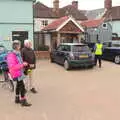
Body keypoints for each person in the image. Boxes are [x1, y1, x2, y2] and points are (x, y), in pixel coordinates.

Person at [7, 40, 31, 107]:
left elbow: (18, 62)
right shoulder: (11, 54)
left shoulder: (17, 53)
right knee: (22, 87)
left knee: (18, 86)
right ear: (16, 46)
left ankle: (17, 99)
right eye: (19, 45)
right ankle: (23, 101)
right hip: (16, 74)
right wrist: (22, 64)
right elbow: (12, 67)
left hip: (19, 73)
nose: (20, 46)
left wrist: (23, 64)